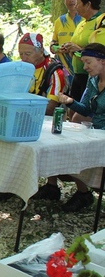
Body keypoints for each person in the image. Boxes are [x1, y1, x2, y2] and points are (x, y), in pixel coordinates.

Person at [36, 43, 105, 211]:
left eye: (88, 62)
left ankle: (86, 192)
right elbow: (87, 109)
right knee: (66, 145)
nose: (84, 67)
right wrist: (70, 102)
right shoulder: (93, 80)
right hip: (95, 131)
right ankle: (80, 192)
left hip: (101, 132)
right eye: (83, 62)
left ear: (102, 61)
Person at [61, 0, 104, 102]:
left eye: (78, 4)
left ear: (88, 5)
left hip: (91, 76)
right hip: (77, 73)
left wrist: (79, 50)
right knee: (73, 110)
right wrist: (70, 48)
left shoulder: (100, 21)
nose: (75, 6)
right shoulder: (82, 22)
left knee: (84, 112)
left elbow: (99, 52)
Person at [18, 32, 65, 115]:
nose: (24, 58)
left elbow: (50, 108)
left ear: (41, 51)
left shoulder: (54, 72)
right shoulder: (19, 69)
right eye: (21, 54)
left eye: (28, 54)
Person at [50, 0, 81, 76]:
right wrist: (56, 48)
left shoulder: (86, 19)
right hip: (62, 68)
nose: (71, 0)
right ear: (64, 0)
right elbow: (53, 43)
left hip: (81, 67)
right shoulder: (59, 21)